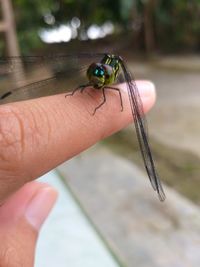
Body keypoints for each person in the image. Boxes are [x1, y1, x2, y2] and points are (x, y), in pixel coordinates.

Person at [0, 80, 155, 266]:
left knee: (117, 94)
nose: (96, 79)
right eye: (93, 73)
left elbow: (112, 97)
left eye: (101, 76)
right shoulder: (97, 78)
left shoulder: (109, 85)